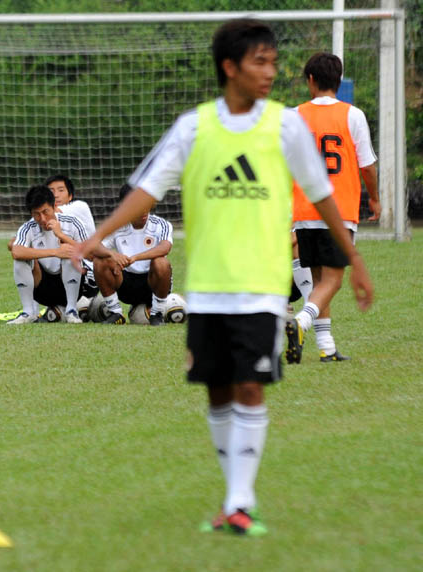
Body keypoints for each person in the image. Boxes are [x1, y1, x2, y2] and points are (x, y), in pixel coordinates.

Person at [72, 20, 372, 536]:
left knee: (250, 388)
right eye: (260, 61)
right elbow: (146, 190)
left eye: (273, 62)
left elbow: (322, 194)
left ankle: (240, 501)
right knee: (216, 390)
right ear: (230, 67)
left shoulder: (286, 126)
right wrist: (97, 234)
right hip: (209, 288)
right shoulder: (194, 128)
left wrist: (355, 259)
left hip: (261, 286)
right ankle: (233, 498)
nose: (270, 72)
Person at [288, 52, 380, 363]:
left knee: (318, 281)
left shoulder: (295, 115)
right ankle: (301, 322)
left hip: (304, 210)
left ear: (311, 80)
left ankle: (326, 347)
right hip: (339, 211)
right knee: (333, 280)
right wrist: (374, 197)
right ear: (338, 81)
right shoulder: (352, 115)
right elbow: (367, 166)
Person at [8, 184, 95, 325]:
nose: (42, 218)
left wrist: (61, 235)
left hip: (74, 287)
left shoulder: (72, 222)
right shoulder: (27, 228)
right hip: (43, 290)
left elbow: (91, 255)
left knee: (69, 253)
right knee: (21, 260)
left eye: (45, 212)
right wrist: (55, 252)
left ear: (54, 206)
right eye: (36, 214)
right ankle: (28, 312)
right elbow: (16, 251)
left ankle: (72, 310)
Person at [94, 183, 174, 326]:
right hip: (126, 284)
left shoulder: (161, 224)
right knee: (100, 261)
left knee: (161, 262)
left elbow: (165, 248)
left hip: (153, 284)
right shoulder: (116, 225)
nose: (143, 210)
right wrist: (113, 255)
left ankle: (157, 313)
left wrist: (135, 257)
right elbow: (94, 246)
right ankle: (115, 313)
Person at [45, 173, 99, 299]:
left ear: (70, 196)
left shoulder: (79, 207)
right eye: (51, 191)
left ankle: (84, 301)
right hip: (61, 271)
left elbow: (52, 211)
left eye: (61, 190)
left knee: (66, 252)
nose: (55, 195)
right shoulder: (45, 217)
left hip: (89, 272)